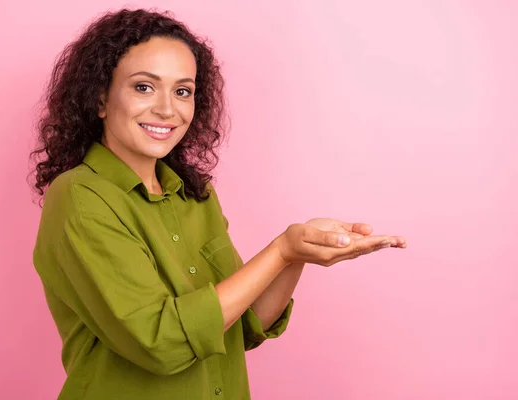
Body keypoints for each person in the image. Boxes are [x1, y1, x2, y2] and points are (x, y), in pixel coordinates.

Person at [30, 8, 406, 400]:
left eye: (182, 91)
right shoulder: (80, 196)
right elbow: (161, 343)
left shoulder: (196, 195)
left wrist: (299, 252)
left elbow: (242, 325)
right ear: (100, 99)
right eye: (144, 87)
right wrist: (279, 251)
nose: (167, 109)